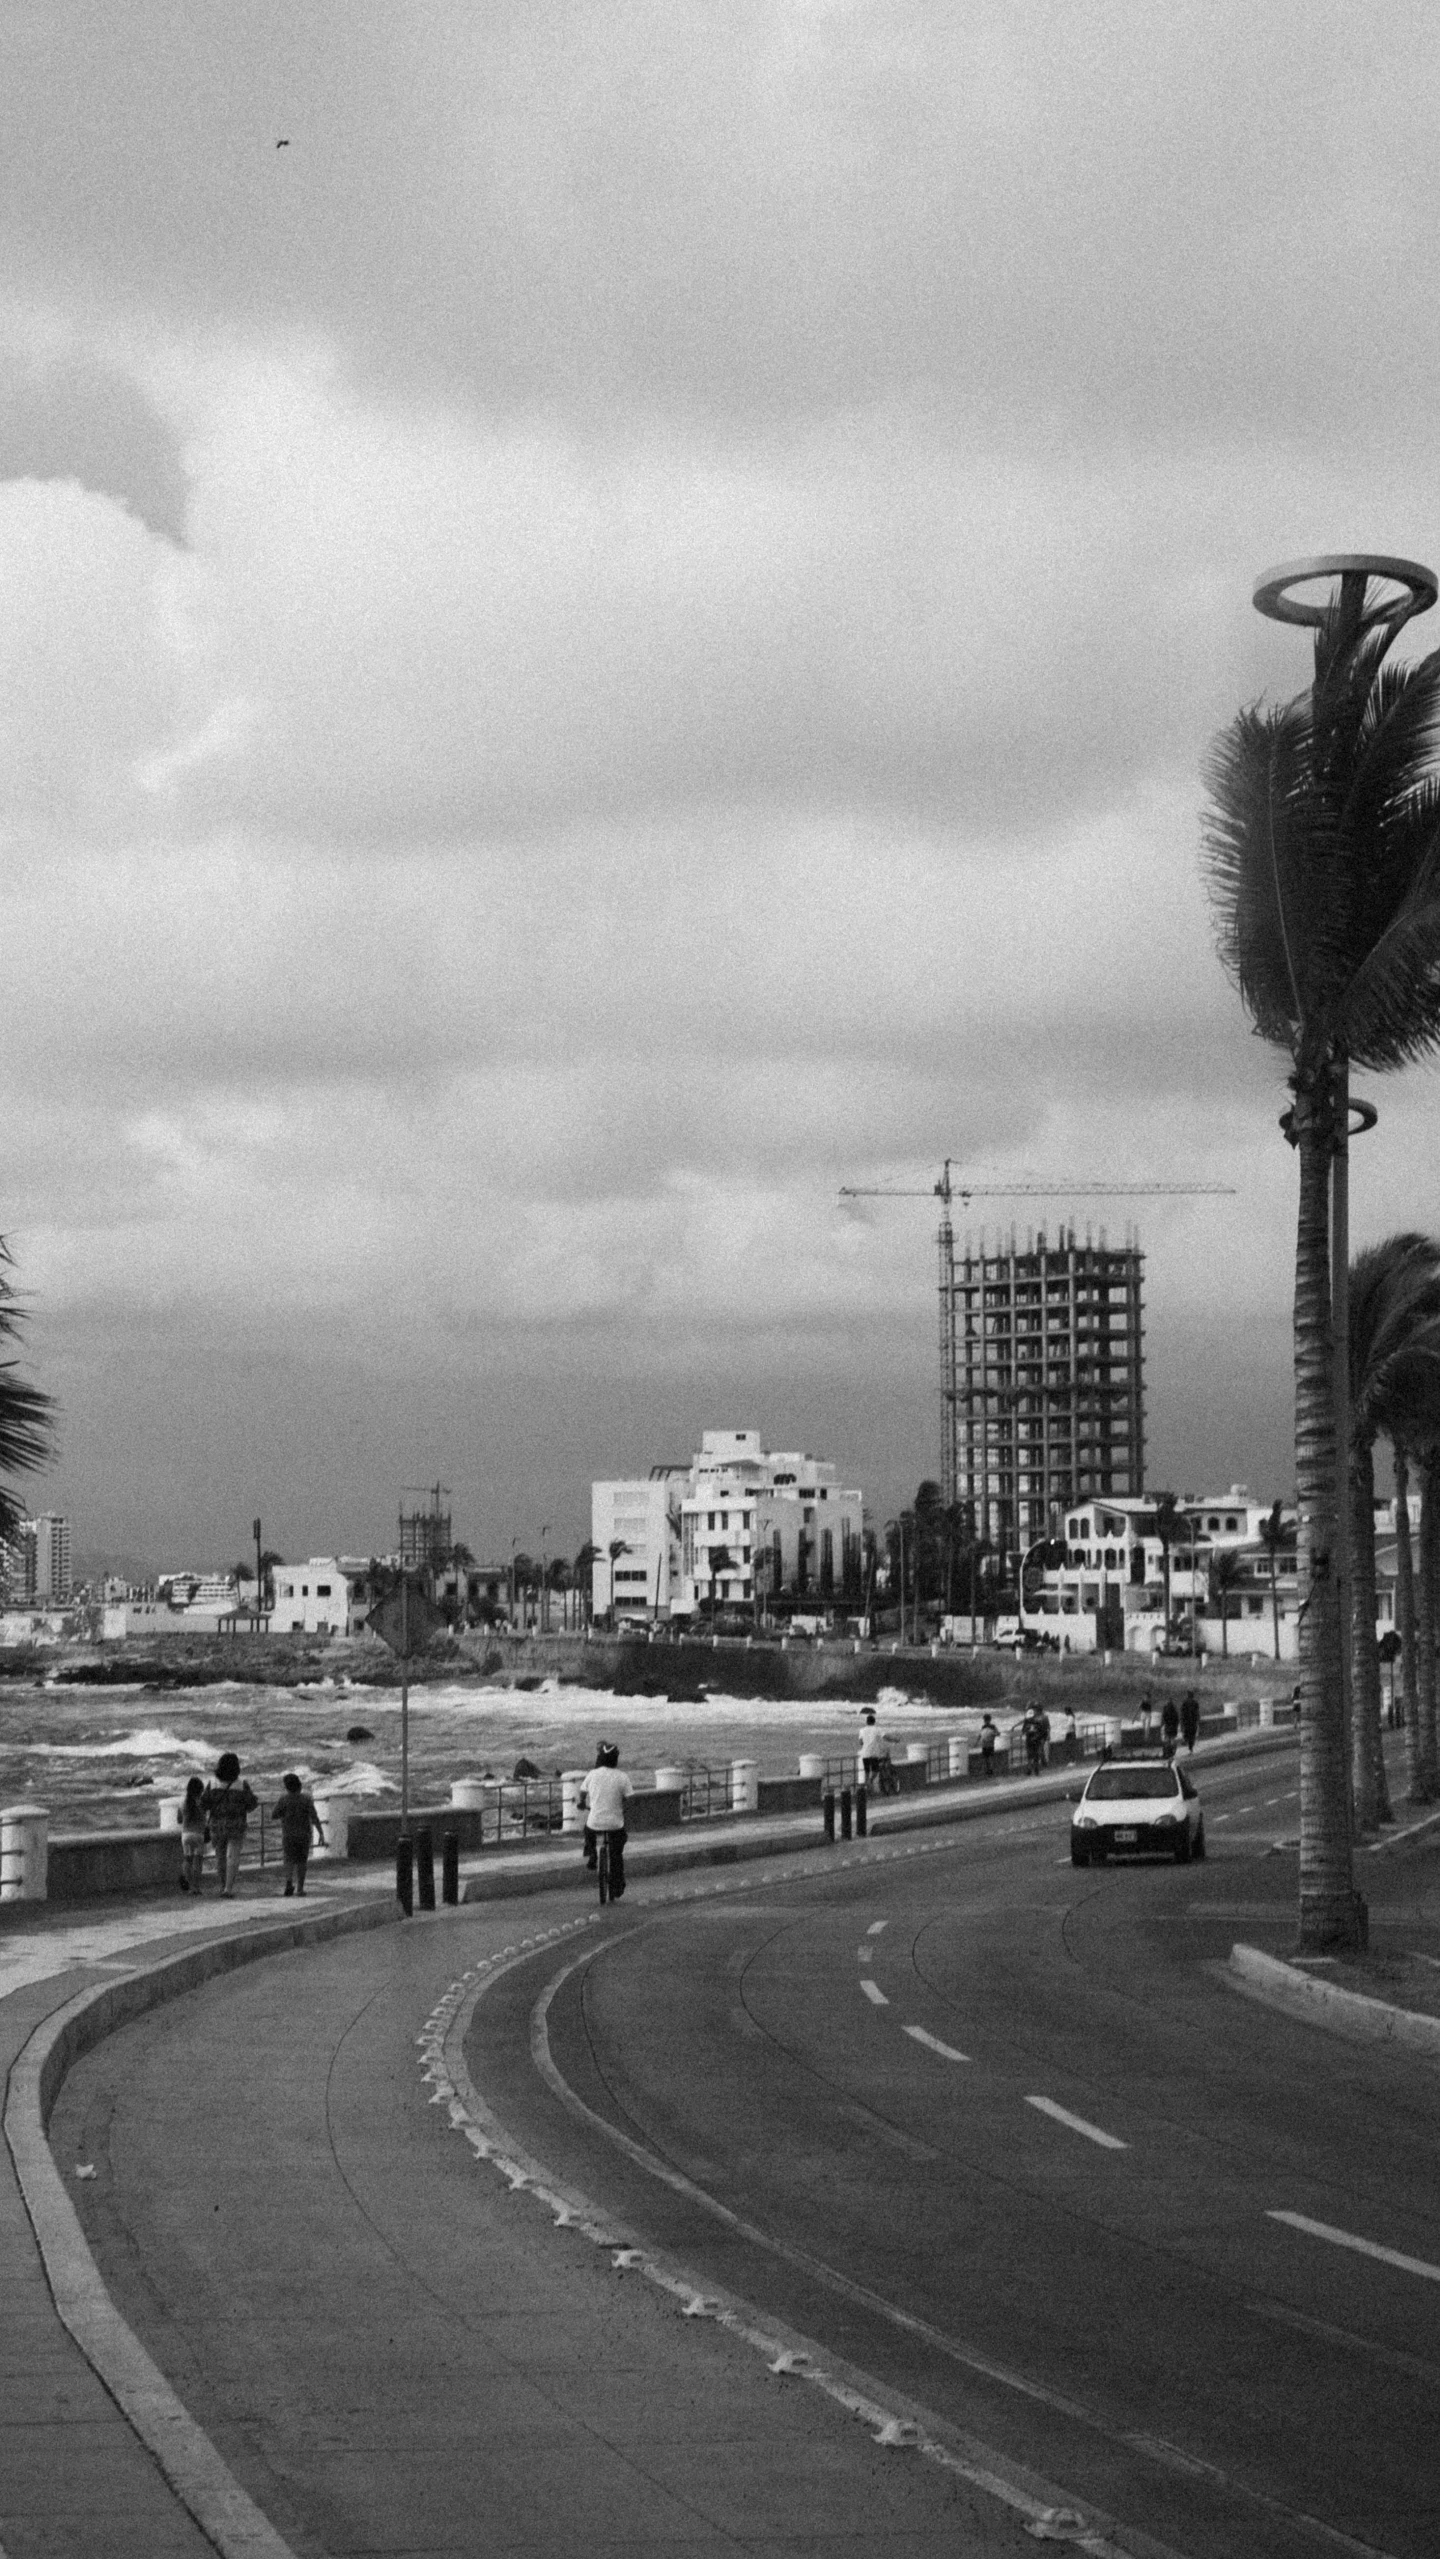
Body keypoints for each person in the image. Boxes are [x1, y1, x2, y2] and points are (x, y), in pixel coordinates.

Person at [580, 1741, 633, 1898]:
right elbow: (630, 1799)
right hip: (616, 1823)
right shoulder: (622, 1777)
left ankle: (592, 1855)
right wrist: (623, 1809)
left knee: (588, 1830)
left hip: (595, 1821)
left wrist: (582, 1803)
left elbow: (583, 1793)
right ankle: (617, 1885)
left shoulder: (592, 1774)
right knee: (617, 1852)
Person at [202, 1752, 258, 1899]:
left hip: (217, 1825)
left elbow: (203, 1803)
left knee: (220, 1856)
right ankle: (228, 1888)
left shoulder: (212, 1783)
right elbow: (251, 1804)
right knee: (233, 1856)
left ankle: (222, 1885)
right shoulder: (241, 1784)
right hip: (236, 1825)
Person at [271, 1772, 325, 1897]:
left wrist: (285, 1813)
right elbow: (314, 1817)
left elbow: (274, 1815)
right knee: (302, 1861)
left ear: (287, 1787)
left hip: (288, 1834)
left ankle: (289, 1883)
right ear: (299, 1786)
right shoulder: (306, 1799)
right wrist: (321, 1833)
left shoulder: (283, 1799)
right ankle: (300, 1888)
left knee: (289, 1860)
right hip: (304, 1835)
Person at [178, 1775, 207, 1894]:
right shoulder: (201, 1803)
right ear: (200, 1790)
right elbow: (205, 1818)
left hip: (186, 1836)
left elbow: (179, 1820)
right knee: (198, 1861)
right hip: (198, 1835)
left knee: (187, 1860)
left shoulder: (183, 1803)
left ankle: (189, 1887)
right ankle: (196, 1887)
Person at [858, 1711, 886, 1789]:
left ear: (866, 1722)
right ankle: (871, 1781)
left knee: (867, 1772)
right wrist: (895, 1739)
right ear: (874, 1722)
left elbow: (860, 1742)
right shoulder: (877, 1729)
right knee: (875, 1771)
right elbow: (885, 1737)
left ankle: (867, 1788)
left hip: (865, 1753)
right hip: (874, 1753)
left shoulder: (862, 1730)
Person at [1022, 1704, 1044, 1777]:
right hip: (1031, 1740)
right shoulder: (1030, 1722)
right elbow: (1023, 1731)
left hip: (1034, 1740)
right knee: (1031, 1756)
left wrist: (1033, 1734)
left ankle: (1034, 1770)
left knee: (1034, 1756)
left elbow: (1041, 1732)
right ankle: (1031, 1770)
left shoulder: (1034, 1722)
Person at [1180, 1689, 1201, 1754]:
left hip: (1186, 1721)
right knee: (1192, 1735)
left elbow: (1182, 1712)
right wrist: (1198, 1719)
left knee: (1187, 1732)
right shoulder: (1195, 1703)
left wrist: (1182, 1721)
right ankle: (1190, 1748)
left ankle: (1185, 1740)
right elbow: (1197, 1712)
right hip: (1193, 1722)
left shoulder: (1184, 1702)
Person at [1160, 1696, 1180, 1762]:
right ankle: (1172, 1753)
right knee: (1172, 1740)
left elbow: (1163, 1719)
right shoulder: (1174, 1710)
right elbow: (1177, 1719)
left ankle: (1167, 1753)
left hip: (1168, 1727)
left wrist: (1162, 1725)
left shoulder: (1165, 1709)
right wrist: (1176, 1726)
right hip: (1173, 1728)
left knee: (1167, 1740)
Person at [978, 1713, 999, 1777]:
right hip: (989, 1744)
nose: (985, 1721)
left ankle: (988, 1770)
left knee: (987, 1758)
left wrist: (976, 1743)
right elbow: (997, 1733)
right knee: (989, 1758)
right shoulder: (992, 1727)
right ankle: (990, 1770)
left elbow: (980, 1735)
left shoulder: (984, 1727)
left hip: (985, 1744)